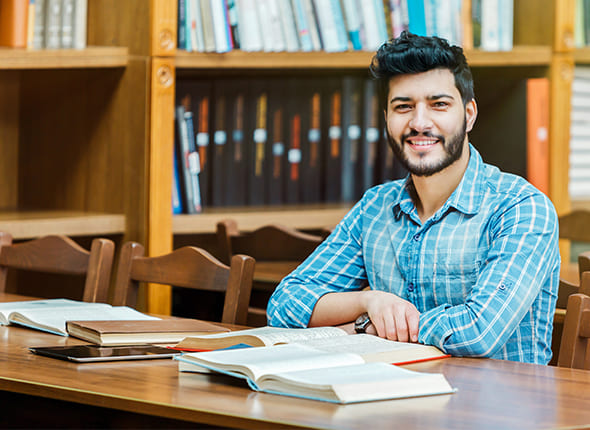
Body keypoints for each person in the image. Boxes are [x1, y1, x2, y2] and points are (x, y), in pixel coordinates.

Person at [266, 32, 560, 364]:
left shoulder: (521, 208)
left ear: (469, 114)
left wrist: (365, 329)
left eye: (439, 105)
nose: (419, 123)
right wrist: (370, 304)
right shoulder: (375, 208)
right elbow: (285, 303)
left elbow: (479, 332)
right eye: (403, 107)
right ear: (387, 119)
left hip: (499, 409)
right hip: (395, 399)